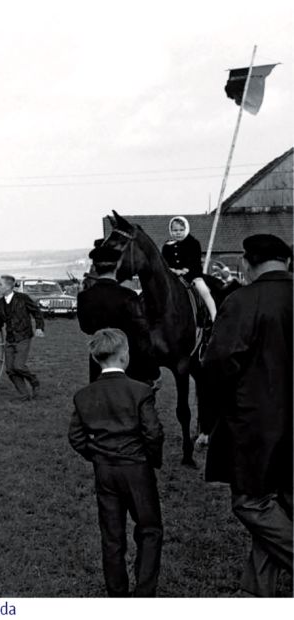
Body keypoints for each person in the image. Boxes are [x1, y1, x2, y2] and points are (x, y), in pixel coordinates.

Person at [201, 233, 292, 597]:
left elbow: (218, 364)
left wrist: (208, 421)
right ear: (286, 262)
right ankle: (255, 594)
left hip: (257, 424)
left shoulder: (243, 300)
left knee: (251, 502)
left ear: (247, 262)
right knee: (282, 503)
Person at [68, 328, 164, 597]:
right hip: (137, 469)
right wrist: (152, 460)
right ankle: (144, 594)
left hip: (105, 471)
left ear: (97, 358)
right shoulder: (140, 391)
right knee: (150, 530)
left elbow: (75, 436)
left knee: (111, 536)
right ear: (125, 356)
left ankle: (117, 595)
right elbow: (153, 432)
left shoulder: (84, 395)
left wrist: (97, 456)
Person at [77, 246, 160, 385]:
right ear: (117, 266)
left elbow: (85, 327)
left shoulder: (84, 296)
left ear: (95, 268)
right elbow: (142, 334)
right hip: (127, 359)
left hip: (100, 357)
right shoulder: (128, 296)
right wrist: (154, 372)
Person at [0, 275, 45, 401]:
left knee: (19, 366)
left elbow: (37, 313)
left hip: (23, 336)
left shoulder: (23, 298)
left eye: (0, 284)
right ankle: (24, 395)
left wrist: (39, 327)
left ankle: (34, 380)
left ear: (9, 286)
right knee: (10, 370)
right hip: (10, 339)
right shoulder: (0, 303)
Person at [161, 216, 217, 321]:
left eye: (181, 230)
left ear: (186, 229)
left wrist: (184, 270)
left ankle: (214, 316)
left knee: (204, 291)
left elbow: (194, 261)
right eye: (175, 230)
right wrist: (171, 270)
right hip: (172, 276)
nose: (178, 233)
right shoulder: (167, 246)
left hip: (192, 275)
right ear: (170, 230)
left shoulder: (193, 243)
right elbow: (164, 263)